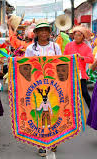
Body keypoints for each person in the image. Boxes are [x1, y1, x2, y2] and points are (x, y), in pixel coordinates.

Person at [24, 21, 61, 157]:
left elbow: (61, 63)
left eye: (46, 30)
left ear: (49, 33)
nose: (44, 33)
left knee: (52, 111)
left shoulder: (55, 46)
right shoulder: (30, 49)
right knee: (40, 112)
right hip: (36, 85)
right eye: (41, 30)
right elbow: (25, 65)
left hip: (53, 85)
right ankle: (41, 143)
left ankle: (53, 140)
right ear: (36, 33)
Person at [64, 26, 93, 109]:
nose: (76, 37)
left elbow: (91, 59)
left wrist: (82, 57)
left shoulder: (86, 47)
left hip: (81, 74)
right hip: (69, 73)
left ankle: (92, 113)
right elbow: (64, 57)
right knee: (69, 93)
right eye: (75, 35)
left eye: (79, 35)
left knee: (84, 93)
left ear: (83, 37)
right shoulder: (68, 45)